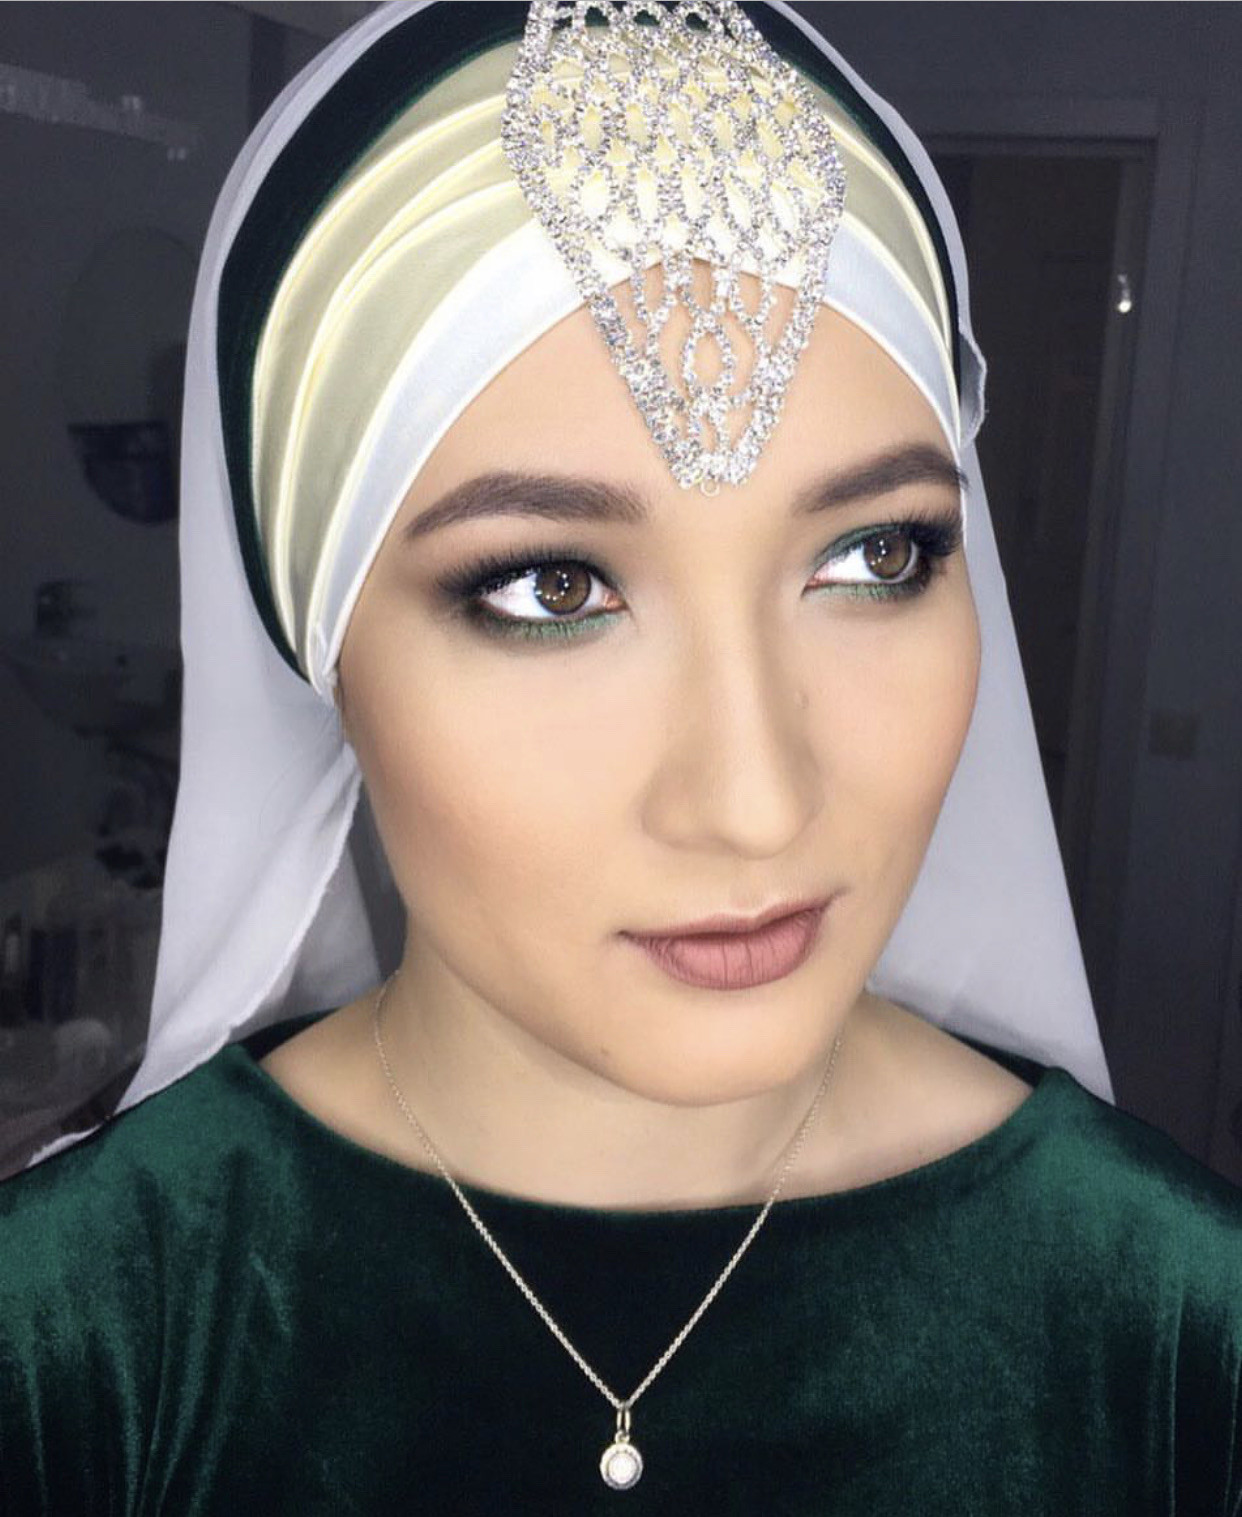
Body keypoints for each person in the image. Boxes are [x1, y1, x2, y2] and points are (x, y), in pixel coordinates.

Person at [1, 2, 1239, 1512]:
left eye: (875, 553)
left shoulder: (1177, 1331)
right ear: (319, 648)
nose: (756, 802)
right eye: (551, 587)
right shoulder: (75, 1341)